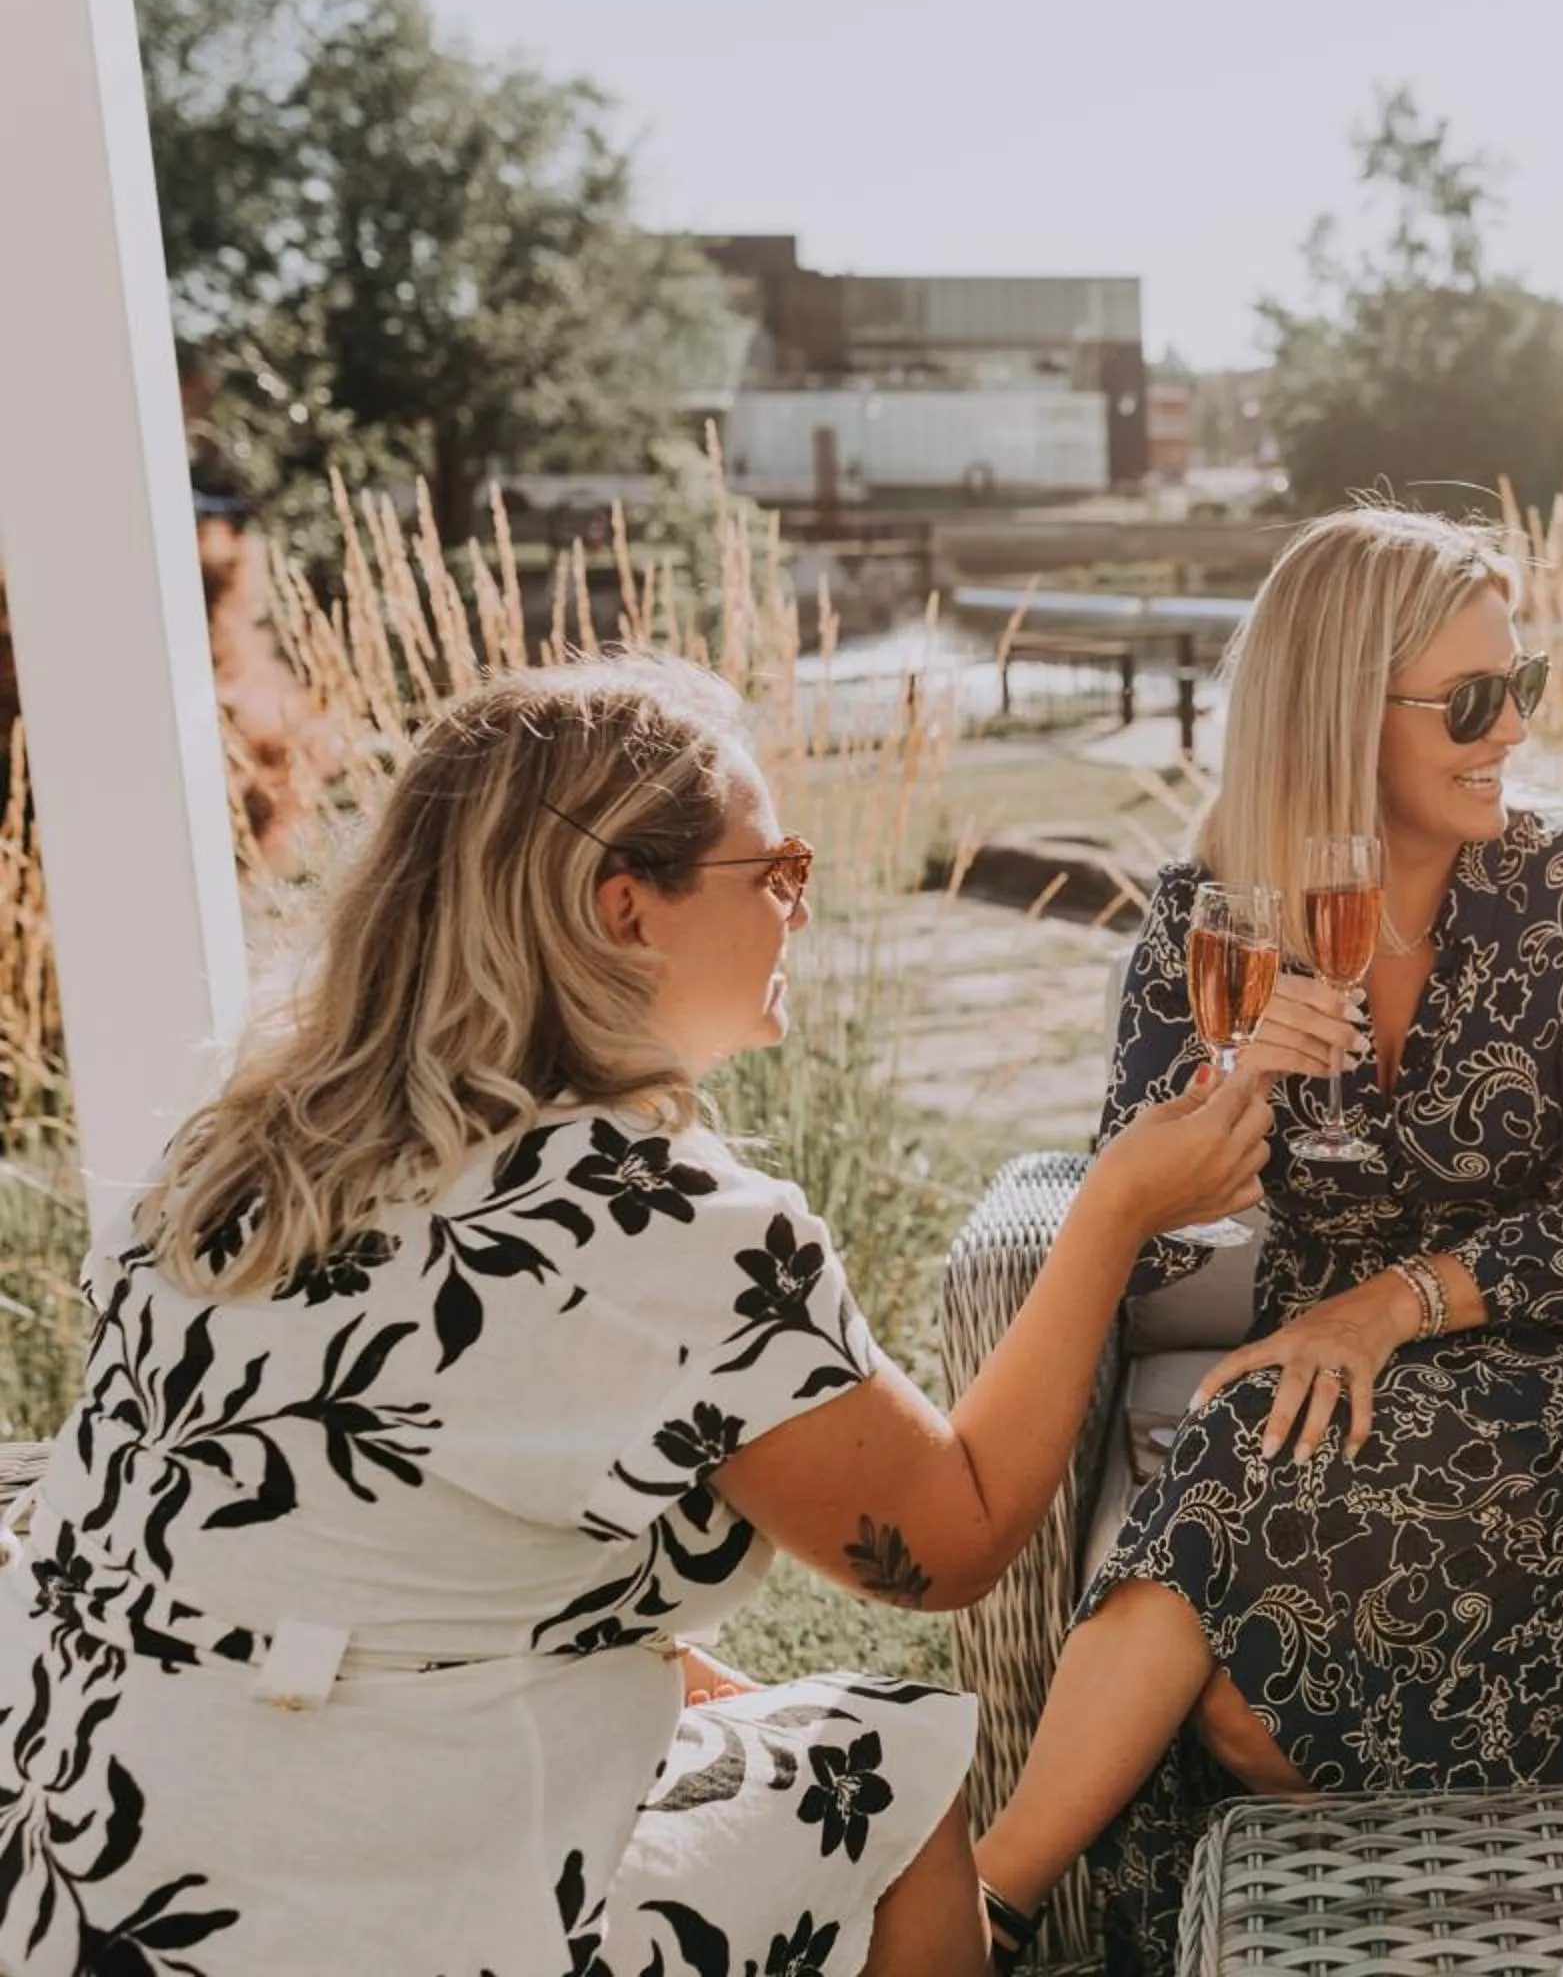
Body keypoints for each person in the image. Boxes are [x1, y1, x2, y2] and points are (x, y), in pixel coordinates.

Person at [0, 658, 1269, 1977]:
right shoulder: (647, 1219)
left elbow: (389, 1533)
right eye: (774, 870)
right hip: (340, 1899)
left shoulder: (233, 1155)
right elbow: (945, 1543)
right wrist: (1112, 1214)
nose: (803, 908)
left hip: (77, 1846)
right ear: (624, 911)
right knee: (886, 1774)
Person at [969, 507, 1563, 1974]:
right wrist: (1234, 1085)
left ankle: (976, 1906)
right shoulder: (1208, 921)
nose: (1511, 731)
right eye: (1472, 702)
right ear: (1338, 710)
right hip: (1325, 1386)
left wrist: (1391, 1303)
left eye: (1525, 687)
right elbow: (1158, 1256)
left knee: (1240, 1627)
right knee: (1240, 1698)